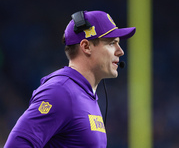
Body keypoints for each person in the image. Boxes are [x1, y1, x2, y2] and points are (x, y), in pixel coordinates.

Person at [4, 10, 136, 148]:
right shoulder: (60, 92)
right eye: (111, 43)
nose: (120, 51)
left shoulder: (83, 93)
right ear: (86, 46)